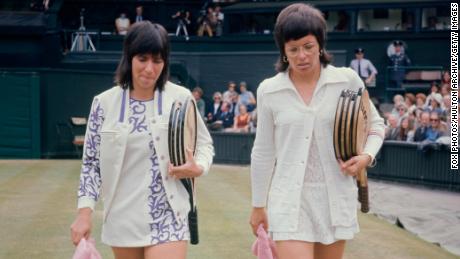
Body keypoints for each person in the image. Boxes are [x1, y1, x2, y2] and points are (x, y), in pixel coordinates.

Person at [249, 4, 385, 259]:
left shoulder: (347, 80)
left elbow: (376, 125)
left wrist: (366, 157)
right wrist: (258, 205)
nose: (302, 56)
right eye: (293, 49)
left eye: (308, 46)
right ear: (283, 51)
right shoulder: (268, 90)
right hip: (289, 202)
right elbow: (263, 152)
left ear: (320, 44)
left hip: (336, 200)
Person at [70, 21, 214, 259]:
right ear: (129, 58)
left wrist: (198, 167)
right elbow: (91, 165)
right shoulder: (103, 103)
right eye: (143, 59)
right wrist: (84, 214)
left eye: (157, 61)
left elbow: (204, 144)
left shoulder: (181, 98)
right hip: (122, 217)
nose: (150, 68)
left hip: (170, 215)